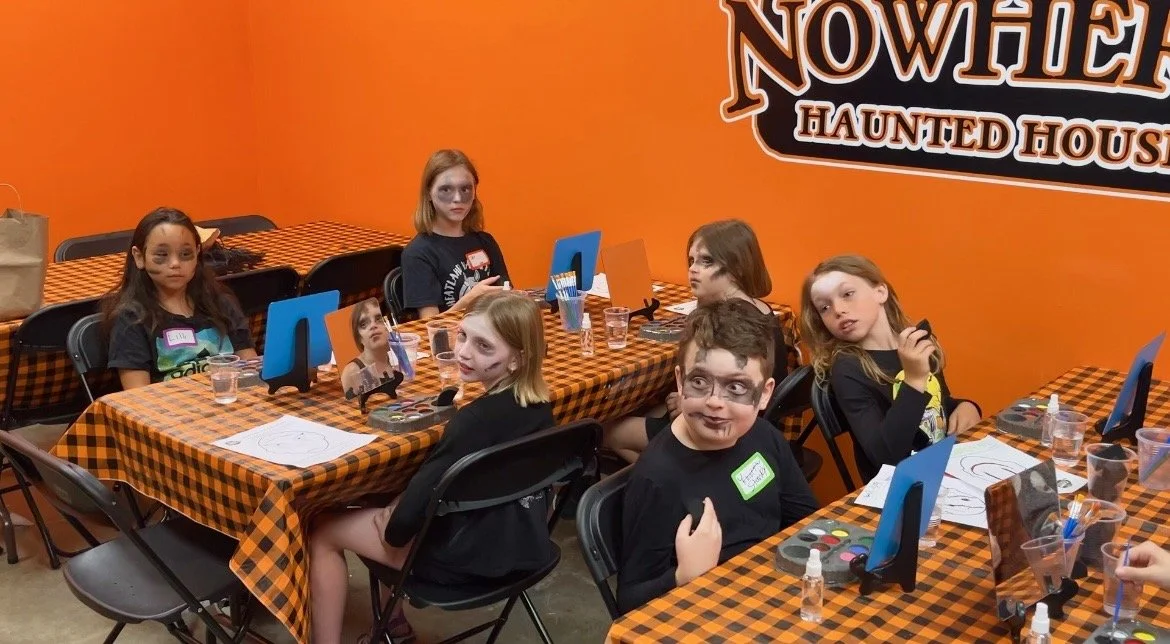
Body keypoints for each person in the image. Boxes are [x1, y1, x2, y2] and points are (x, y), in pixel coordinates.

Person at [309, 291, 555, 644]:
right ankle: (393, 622)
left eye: (484, 347)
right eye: (463, 335)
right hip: (524, 545)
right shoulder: (541, 408)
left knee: (323, 528)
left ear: (517, 359)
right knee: (390, 499)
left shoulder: (472, 422)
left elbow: (398, 530)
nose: (465, 352)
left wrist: (387, 517)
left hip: (463, 561)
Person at [617, 299, 819, 614]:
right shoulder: (658, 479)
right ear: (680, 381)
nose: (715, 402)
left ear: (764, 394)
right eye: (699, 382)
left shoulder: (762, 436)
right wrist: (684, 576)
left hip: (767, 594)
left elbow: (804, 519)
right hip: (705, 612)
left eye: (736, 387)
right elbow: (630, 600)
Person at [604, 219, 789, 463]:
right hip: (753, 424)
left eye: (706, 261)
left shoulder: (728, 327)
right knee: (644, 407)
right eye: (691, 261)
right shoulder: (761, 309)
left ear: (737, 267)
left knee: (605, 430)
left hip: (725, 432)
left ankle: (671, 475)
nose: (693, 269)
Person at [800, 254, 980, 482]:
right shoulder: (847, 369)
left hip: (945, 470)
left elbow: (934, 408)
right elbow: (885, 456)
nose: (838, 309)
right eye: (824, 307)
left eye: (847, 294)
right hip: (899, 488)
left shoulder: (914, 343)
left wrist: (965, 406)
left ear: (880, 292)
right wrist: (914, 380)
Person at [103, 207, 256, 389]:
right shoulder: (131, 318)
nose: (175, 264)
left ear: (197, 254)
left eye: (185, 254)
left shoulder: (221, 303)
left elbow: (251, 372)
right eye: (162, 255)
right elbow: (137, 397)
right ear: (139, 257)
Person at [401, 149, 511, 319]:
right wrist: (470, 300)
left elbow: (507, 298)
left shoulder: (485, 241)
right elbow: (430, 327)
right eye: (446, 190)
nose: (458, 198)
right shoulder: (418, 253)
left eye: (466, 189)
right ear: (429, 193)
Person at [339, 297, 395, 398]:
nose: (373, 326)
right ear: (359, 337)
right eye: (363, 324)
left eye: (378, 319)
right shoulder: (352, 370)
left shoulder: (393, 359)